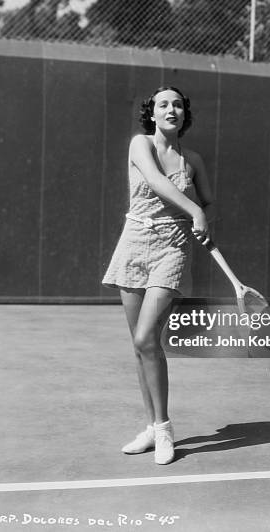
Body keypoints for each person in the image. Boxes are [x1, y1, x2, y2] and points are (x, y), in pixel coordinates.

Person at [102, 86, 214, 465]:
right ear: (152, 113)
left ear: (185, 115)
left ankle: (164, 429)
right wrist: (195, 210)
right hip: (133, 244)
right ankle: (151, 428)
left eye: (178, 104)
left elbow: (206, 199)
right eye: (164, 104)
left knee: (147, 336)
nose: (172, 109)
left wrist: (198, 216)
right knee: (140, 344)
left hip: (172, 249)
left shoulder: (193, 159)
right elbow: (154, 181)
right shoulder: (140, 145)